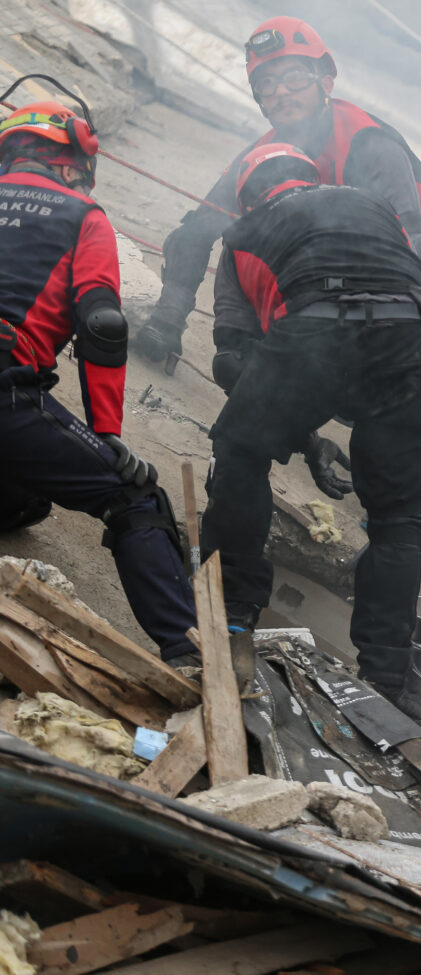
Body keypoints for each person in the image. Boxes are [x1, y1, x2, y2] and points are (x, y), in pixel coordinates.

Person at [199, 142, 421, 725]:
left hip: (317, 332)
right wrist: (310, 437)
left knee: (240, 454)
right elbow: (416, 279)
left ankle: (234, 614)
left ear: (249, 191)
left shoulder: (244, 233)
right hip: (413, 342)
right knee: (399, 516)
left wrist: (292, 429)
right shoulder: (368, 204)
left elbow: (235, 363)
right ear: (307, 176)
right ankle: (390, 683)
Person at [133, 15, 421, 366]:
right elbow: (196, 233)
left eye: (294, 77)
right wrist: (168, 319)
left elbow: (415, 249)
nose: (281, 92)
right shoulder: (265, 157)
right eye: (266, 84)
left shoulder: (367, 144)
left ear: (325, 80)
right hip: (382, 269)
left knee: (374, 345)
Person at [0, 92, 199, 664]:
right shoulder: (82, 217)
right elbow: (104, 325)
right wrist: (106, 432)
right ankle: (190, 656)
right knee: (135, 495)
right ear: (73, 163)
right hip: (7, 401)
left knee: (26, 496)